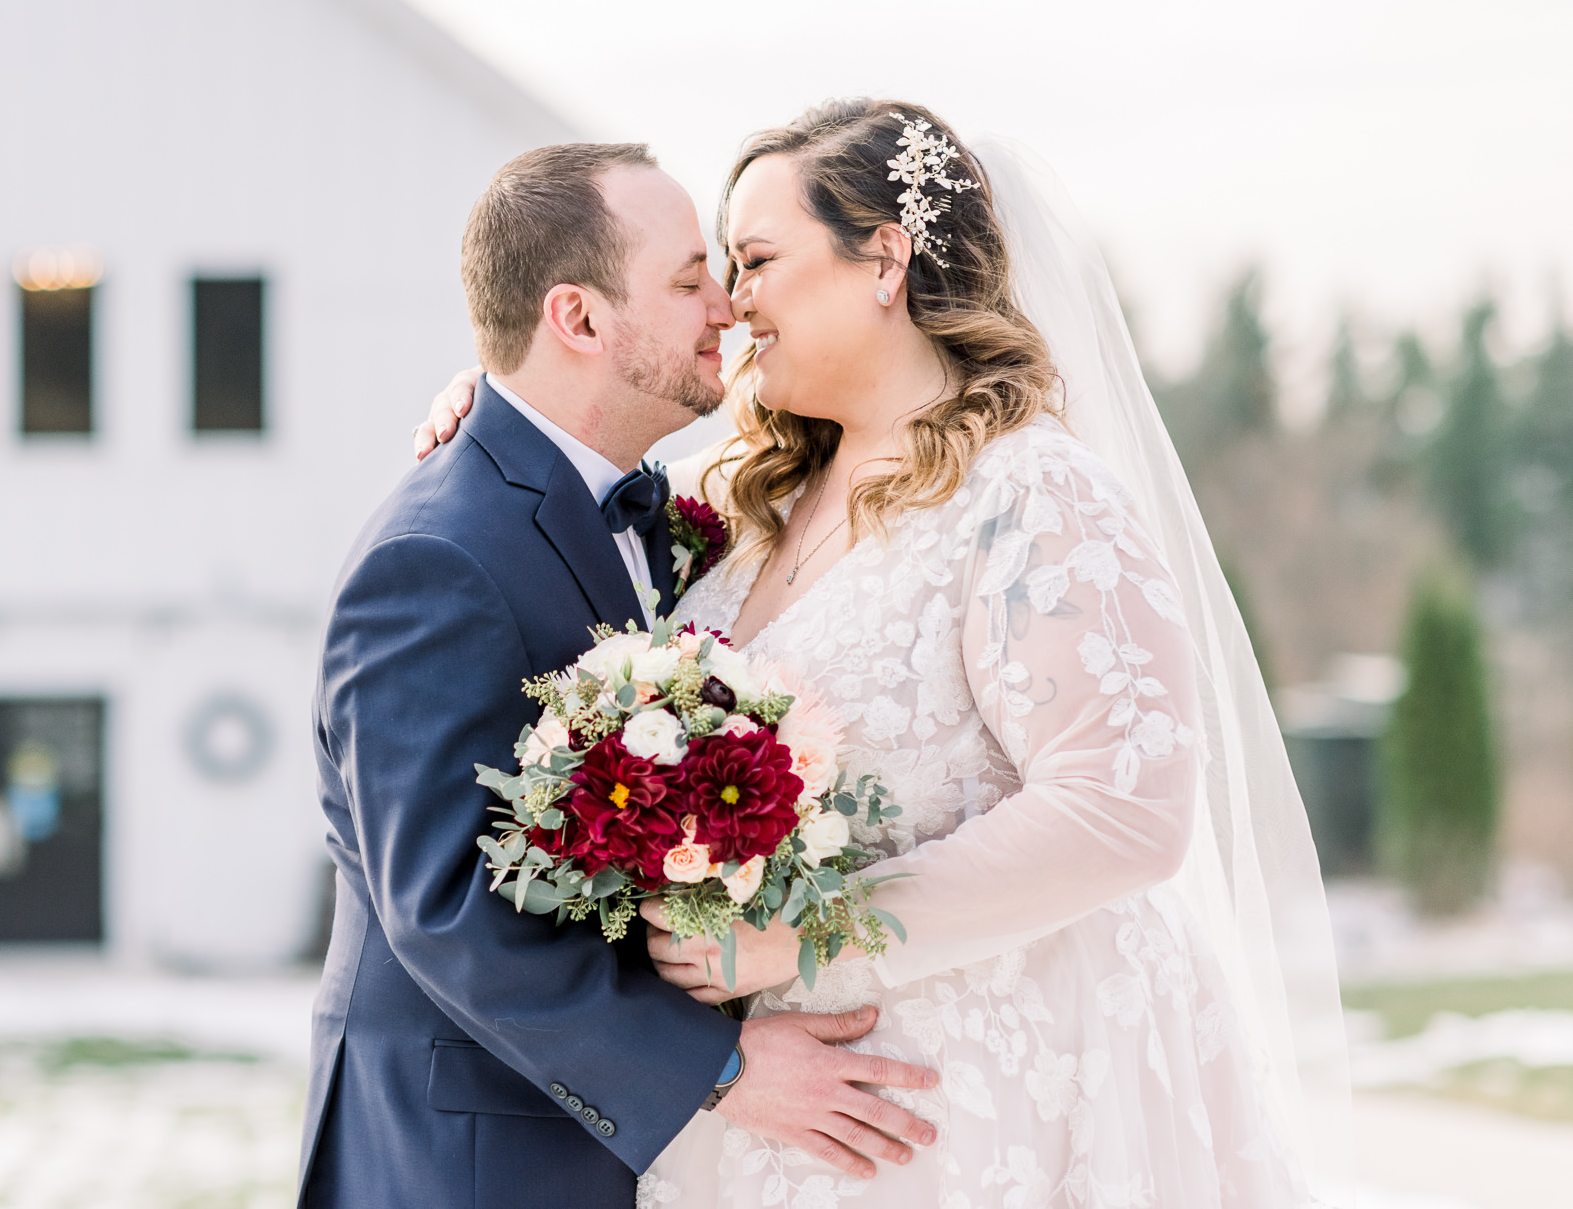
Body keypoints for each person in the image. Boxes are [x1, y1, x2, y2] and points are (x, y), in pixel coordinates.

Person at [415, 102, 1347, 1207]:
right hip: (788, 1121)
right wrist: (497, 411)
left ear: (885, 262)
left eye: (756, 259)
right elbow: (571, 468)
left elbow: (1126, 809)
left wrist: (799, 938)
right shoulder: (745, 496)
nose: (730, 301)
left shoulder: (1030, 490)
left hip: (987, 1101)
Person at [300, 141, 943, 1209]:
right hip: (468, 1159)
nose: (727, 309)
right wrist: (720, 1069)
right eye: (690, 279)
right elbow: (444, 909)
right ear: (580, 320)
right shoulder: (437, 556)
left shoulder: (665, 514)